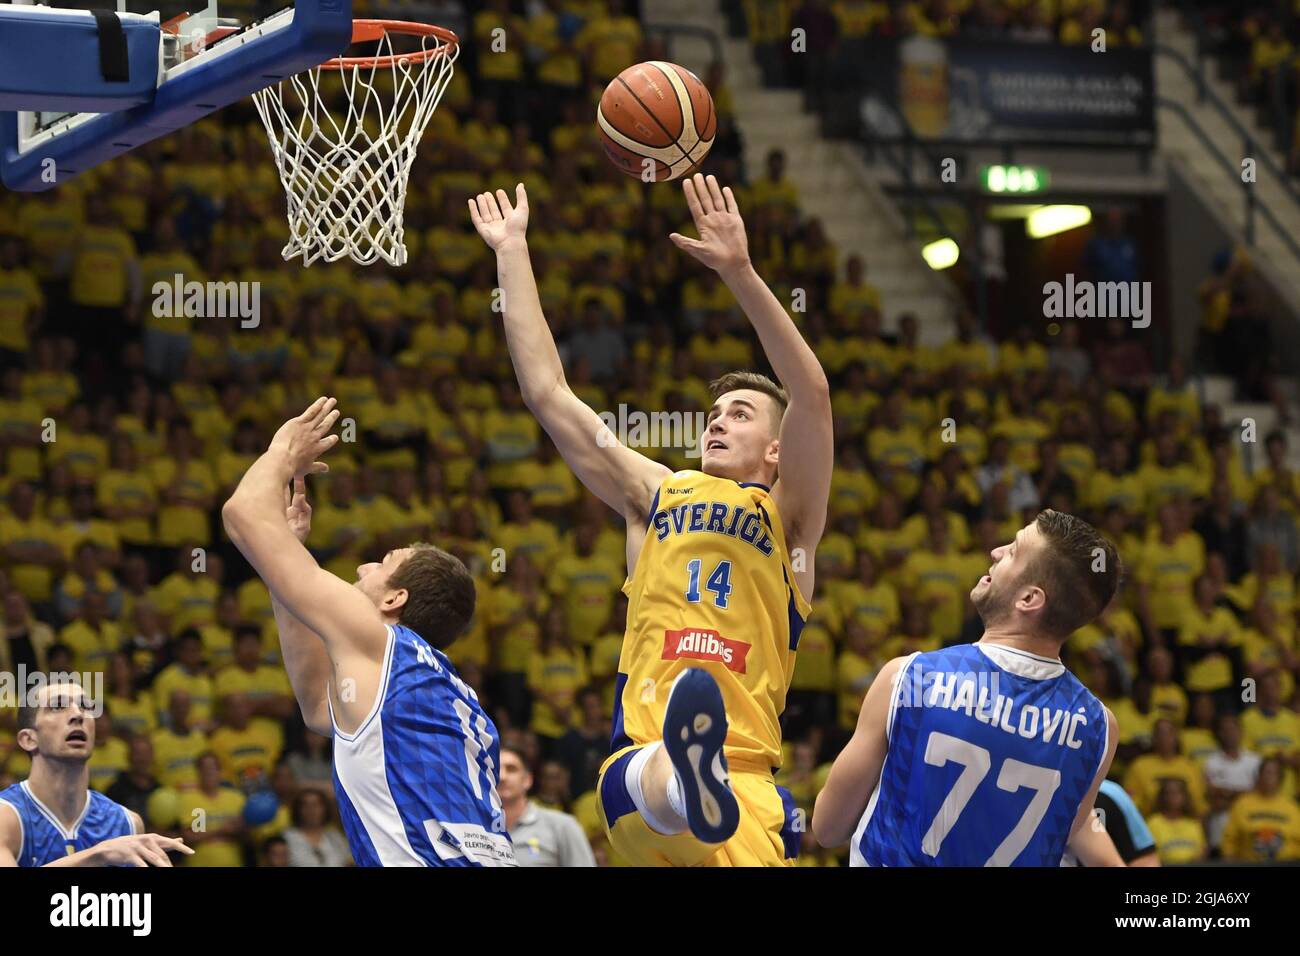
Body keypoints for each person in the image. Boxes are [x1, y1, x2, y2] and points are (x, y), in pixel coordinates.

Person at [469, 173, 833, 866]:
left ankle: (695, 775)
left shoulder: (791, 518)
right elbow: (547, 393)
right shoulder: (653, 491)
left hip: (747, 786)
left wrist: (740, 272)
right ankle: (682, 774)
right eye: (716, 413)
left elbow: (811, 394)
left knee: (671, 790)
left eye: (742, 414)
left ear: (778, 450)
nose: (719, 421)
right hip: (640, 769)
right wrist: (511, 250)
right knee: (649, 777)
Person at [222, 399, 514, 867]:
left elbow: (242, 515)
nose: (362, 565)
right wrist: (288, 563)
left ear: (394, 600)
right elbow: (320, 707)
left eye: (382, 564)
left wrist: (283, 450)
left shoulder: (385, 643)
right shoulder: (436, 684)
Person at [812, 511, 1122, 866]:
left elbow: (827, 828)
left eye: (1013, 551)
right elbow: (1061, 835)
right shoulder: (1098, 728)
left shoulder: (911, 678)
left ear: (1029, 599)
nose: (995, 551)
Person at [0, 680, 191, 866]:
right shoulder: (6, 816)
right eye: (58, 707)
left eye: (85, 706)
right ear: (28, 739)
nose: (78, 714)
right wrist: (97, 855)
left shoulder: (127, 823)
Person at [499, 746, 595, 867]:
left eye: (511, 769)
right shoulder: (473, 826)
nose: (502, 777)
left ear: (527, 780)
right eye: (495, 770)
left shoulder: (563, 825)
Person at [283, 789, 353, 867]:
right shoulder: (287, 838)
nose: (311, 810)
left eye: (316, 805)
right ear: (298, 810)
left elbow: (348, 863)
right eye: (305, 805)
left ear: (325, 809)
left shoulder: (335, 837)